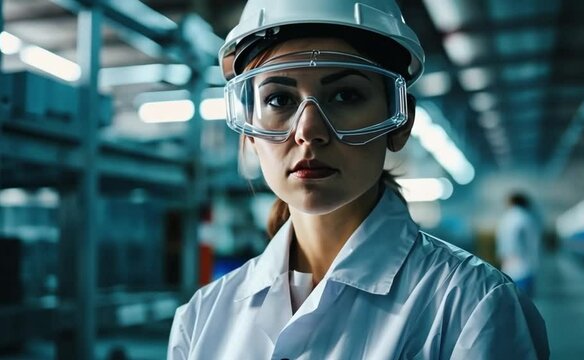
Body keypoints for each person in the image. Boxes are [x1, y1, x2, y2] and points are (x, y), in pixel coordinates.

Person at [168, 0, 549, 358]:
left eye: (345, 95)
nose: (309, 131)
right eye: (279, 100)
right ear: (249, 133)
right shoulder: (201, 318)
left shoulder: (473, 305)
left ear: (400, 123)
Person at [496, 192, 543, 297]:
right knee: (525, 300)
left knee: (512, 298)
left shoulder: (505, 218)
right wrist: (537, 264)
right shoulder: (527, 218)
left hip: (508, 264)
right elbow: (534, 243)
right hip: (525, 265)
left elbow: (501, 244)